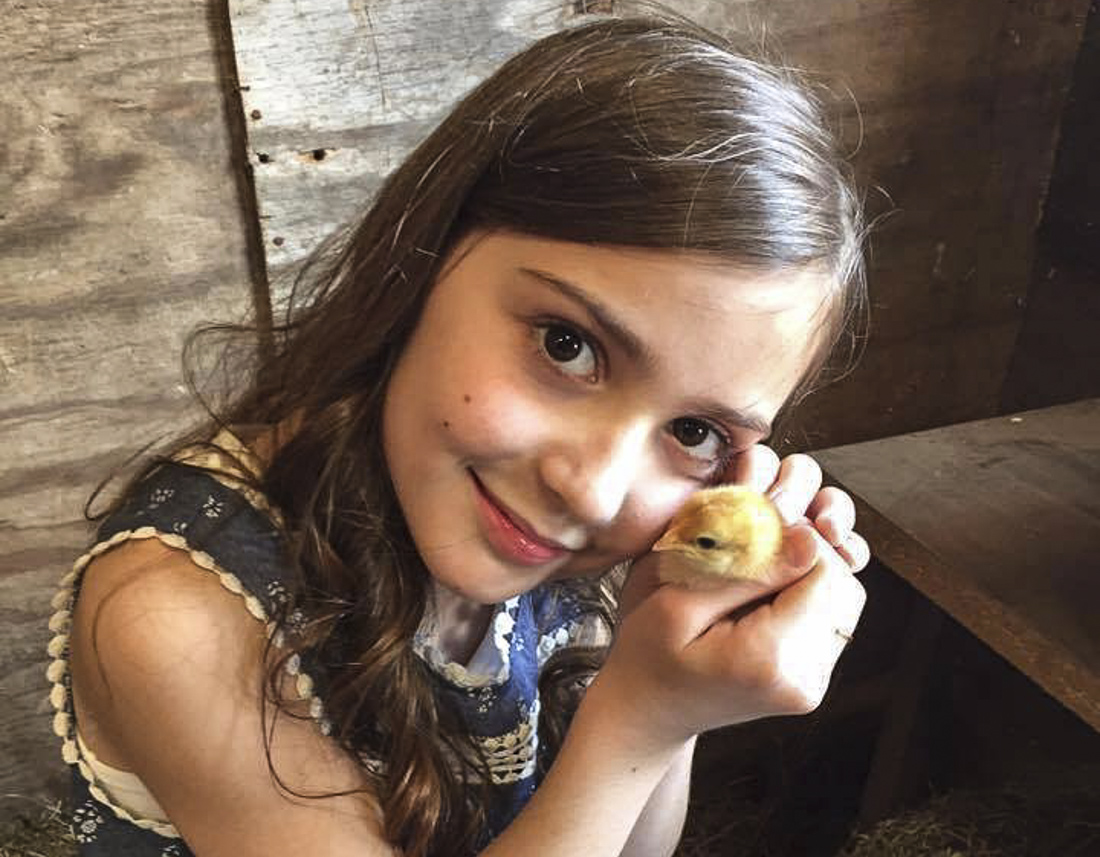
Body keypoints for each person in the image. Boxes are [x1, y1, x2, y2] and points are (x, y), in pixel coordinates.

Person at [47, 11, 871, 857]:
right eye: (567, 345)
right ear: (427, 253)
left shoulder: (568, 547)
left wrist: (673, 655)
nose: (594, 489)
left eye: (694, 431)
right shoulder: (177, 613)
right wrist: (640, 718)